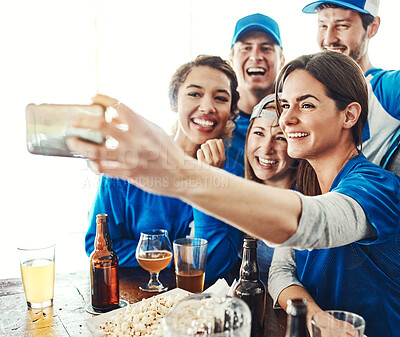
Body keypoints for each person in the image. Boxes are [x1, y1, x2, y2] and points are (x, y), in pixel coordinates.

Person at [68, 51, 400, 337]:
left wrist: (180, 174)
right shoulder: (309, 186)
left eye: (307, 104)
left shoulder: (377, 188)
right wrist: (317, 316)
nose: (287, 119)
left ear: (350, 115)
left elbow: (311, 224)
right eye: (285, 105)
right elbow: (281, 272)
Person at [85, 55, 241, 283]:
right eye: (194, 94)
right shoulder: (130, 164)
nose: (207, 107)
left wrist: (205, 182)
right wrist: (175, 257)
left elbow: (214, 265)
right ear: (174, 101)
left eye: (220, 98)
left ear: (230, 111)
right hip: (134, 301)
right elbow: (97, 246)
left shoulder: (233, 176)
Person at [302, 0, 400, 171]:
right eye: (323, 26)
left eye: (342, 26)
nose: (329, 39)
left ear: (372, 27)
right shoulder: (302, 91)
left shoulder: (386, 88)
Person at [244, 93, 298, 283]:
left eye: (281, 138)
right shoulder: (240, 197)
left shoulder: (305, 203)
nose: (267, 148)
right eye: (259, 133)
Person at [226, 13, 285, 177]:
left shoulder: (295, 119)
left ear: (282, 60)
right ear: (231, 58)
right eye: (246, 48)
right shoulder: (216, 120)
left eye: (266, 48)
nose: (256, 57)